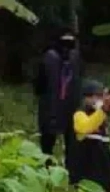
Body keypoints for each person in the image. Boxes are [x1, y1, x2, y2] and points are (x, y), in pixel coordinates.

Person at [34, 27, 83, 162]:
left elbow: (39, 85)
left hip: (51, 106)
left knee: (47, 144)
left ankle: (47, 168)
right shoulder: (75, 57)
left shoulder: (49, 57)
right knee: (70, 143)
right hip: (69, 106)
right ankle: (68, 170)